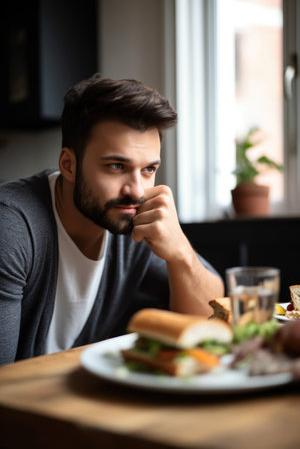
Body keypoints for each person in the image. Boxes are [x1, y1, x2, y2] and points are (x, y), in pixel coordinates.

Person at [0, 74, 224, 365]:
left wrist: (180, 253)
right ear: (68, 164)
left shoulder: (135, 219)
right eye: (116, 166)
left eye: (148, 169)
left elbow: (212, 314)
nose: (136, 190)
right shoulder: (12, 227)